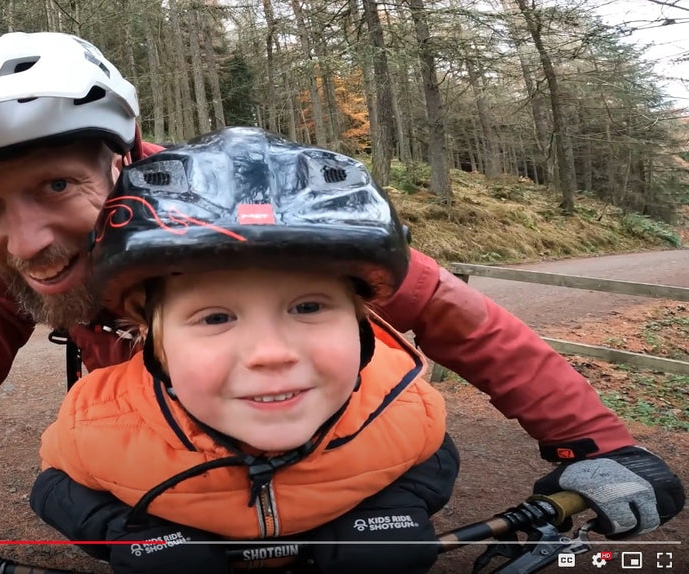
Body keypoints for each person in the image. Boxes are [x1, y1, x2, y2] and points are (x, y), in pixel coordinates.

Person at [0, 32, 683, 574]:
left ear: (120, 161)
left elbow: (460, 318)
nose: (27, 240)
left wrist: (598, 447)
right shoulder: (1, 267)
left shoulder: (248, 208)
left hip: (331, 439)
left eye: (56, 186)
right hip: (164, 454)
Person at [33, 126, 458, 574]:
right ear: (151, 336)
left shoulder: (395, 400)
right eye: (216, 318)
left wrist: (388, 510)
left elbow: (433, 454)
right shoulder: (104, 421)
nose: (270, 353)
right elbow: (55, 487)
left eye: (309, 306)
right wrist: (131, 531)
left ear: (361, 321)